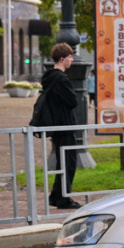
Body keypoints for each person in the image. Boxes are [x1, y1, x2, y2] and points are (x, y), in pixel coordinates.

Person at [42, 42, 81, 210]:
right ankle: (64, 198)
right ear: (62, 59)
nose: (72, 60)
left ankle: (56, 196)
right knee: (68, 162)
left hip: (57, 125)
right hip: (64, 125)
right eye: (70, 57)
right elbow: (72, 101)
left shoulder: (49, 77)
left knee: (62, 162)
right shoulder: (61, 78)